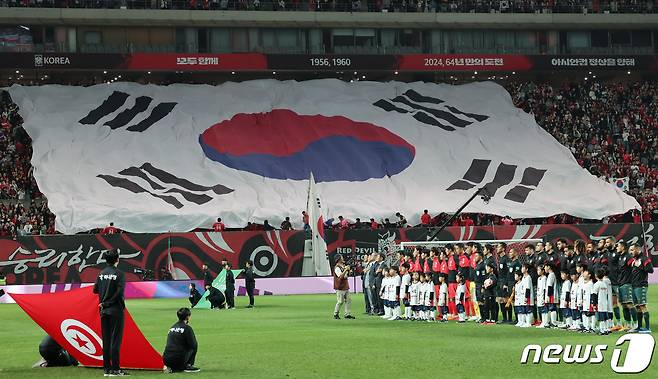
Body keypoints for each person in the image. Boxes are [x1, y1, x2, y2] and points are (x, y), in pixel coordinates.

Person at [92, 250, 127, 377]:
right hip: (115, 310)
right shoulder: (120, 274)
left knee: (106, 340)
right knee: (115, 341)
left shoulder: (101, 273)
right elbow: (119, 293)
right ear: (117, 259)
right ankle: (116, 369)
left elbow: (95, 290)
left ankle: (106, 369)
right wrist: (108, 302)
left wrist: (104, 300)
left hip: (103, 311)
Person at [163, 308, 200, 373]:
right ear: (188, 316)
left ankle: (171, 366)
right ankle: (187, 365)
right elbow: (193, 344)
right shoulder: (187, 328)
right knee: (194, 345)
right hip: (178, 360)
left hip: (166, 360)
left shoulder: (172, 327)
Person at [629, 244, 653, 333]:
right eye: (630, 250)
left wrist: (641, 266)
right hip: (634, 285)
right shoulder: (634, 260)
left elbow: (651, 270)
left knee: (642, 306)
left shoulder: (644, 259)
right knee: (637, 307)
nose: (630, 252)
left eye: (632, 250)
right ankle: (639, 327)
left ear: (638, 250)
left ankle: (647, 328)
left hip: (641, 285)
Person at [333, 255, 355, 320]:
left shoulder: (342, 266)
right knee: (340, 301)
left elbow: (346, 275)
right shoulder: (337, 268)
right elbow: (340, 276)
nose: (343, 258)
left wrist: (349, 271)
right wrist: (346, 269)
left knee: (348, 300)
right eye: (341, 257)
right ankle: (335, 314)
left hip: (345, 286)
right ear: (338, 259)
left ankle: (347, 314)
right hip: (340, 287)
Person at [592, 269, 611, 335]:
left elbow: (594, 295)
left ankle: (602, 330)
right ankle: (606, 329)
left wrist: (594, 304)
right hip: (605, 303)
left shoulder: (596, 284)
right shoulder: (604, 284)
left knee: (601, 317)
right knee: (605, 317)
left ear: (596, 276)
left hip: (599, 303)